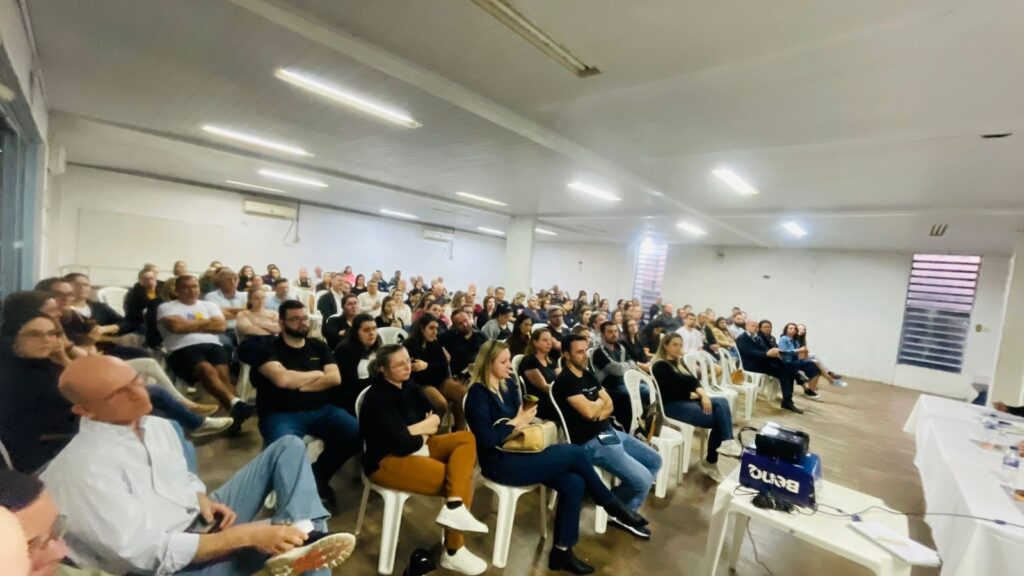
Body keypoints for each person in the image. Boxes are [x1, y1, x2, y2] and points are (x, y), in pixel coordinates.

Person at [39, 355, 356, 575]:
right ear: (84, 410)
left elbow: (183, 478)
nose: (139, 394)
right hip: (173, 566)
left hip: (198, 520)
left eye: (136, 381)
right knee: (301, 543)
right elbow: (149, 554)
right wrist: (247, 536)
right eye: (118, 394)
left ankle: (302, 536)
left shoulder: (158, 426)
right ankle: (305, 541)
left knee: (288, 447)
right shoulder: (83, 469)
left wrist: (200, 497)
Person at [464, 340, 649, 574]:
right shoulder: (477, 394)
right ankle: (611, 504)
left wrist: (523, 418)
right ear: (488, 363)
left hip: (520, 451)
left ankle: (562, 552)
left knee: (575, 483)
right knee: (575, 452)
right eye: (503, 362)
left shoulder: (508, 384)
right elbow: (487, 439)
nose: (510, 365)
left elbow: (517, 418)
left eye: (509, 360)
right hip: (498, 462)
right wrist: (517, 422)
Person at [359, 345, 489, 575]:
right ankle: (453, 551)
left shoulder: (409, 384)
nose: (407, 366)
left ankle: (454, 506)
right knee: (458, 479)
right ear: (382, 369)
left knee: (466, 439)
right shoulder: (376, 399)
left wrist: (413, 430)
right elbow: (401, 445)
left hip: (416, 445)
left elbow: (436, 414)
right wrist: (423, 428)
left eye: (408, 360)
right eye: (399, 364)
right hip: (385, 460)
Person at [250, 301, 360, 509]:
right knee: (289, 450)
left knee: (355, 433)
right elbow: (282, 380)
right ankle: (295, 498)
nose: (302, 323)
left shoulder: (318, 345)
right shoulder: (266, 349)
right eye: (294, 319)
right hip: (280, 414)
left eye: (304, 318)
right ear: (281, 323)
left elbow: (335, 378)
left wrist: (298, 385)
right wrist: (317, 374)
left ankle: (319, 476)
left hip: (322, 410)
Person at [553, 335, 660, 531]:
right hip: (589, 443)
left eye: (586, 350)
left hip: (608, 432)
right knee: (644, 479)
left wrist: (597, 411)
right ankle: (624, 514)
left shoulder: (587, 374)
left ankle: (618, 507)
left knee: (655, 461)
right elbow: (589, 412)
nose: (585, 355)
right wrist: (598, 407)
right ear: (566, 355)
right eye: (579, 352)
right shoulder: (566, 382)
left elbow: (608, 403)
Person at [157, 275, 254, 430]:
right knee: (206, 369)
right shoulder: (166, 307)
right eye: (186, 287)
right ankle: (236, 405)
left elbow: (220, 326)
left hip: (213, 345)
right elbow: (176, 327)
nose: (191, 290)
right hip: (182, 349)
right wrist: (208, 323)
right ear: (177, 290)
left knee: (223, 374)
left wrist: (188, 324)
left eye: (194, 286)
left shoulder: (209, 305)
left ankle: (235, 411)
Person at [652, 333, 740, 482]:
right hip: (672, 407)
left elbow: (694, 381)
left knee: (722, 402)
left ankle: (726, 443)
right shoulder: (660, 365)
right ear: (665, 346)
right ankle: (713, 459)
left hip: (687, 402)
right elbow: (670, 392)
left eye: (680, 345)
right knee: (720, 419)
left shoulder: (679, 363)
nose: (678, 348)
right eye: (674, 344)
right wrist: (692, 395)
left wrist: (703, 395)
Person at [404, 314, 466, 429]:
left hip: (439, 380)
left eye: (436, 328)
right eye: (431, 328)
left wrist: (427, 366)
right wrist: (433, 368)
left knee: (462, 393)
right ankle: (433, 431)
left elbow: (444, 365)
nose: (435, 332)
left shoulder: (435, 343)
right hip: (422, 384)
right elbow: (418, 374)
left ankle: (459, 430)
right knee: (441, 403)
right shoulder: (409, 346)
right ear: (422, 329)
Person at [736, 319, 803, 413]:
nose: (755, 328)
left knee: (786, 371)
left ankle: (787, 401)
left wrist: (771, 352)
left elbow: (765, 349)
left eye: (757, 326)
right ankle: (797, 377)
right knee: (786, 369)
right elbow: (750, 353)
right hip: (750, 365)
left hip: (762, 362)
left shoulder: (757, 337)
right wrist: (767, 354)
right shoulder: (742, 338)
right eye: (753, 326)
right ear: (746, 326)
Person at [591, 321, 648, 427]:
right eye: (610, 332)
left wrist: (626, 365)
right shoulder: (598, 352)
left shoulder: (621, 348)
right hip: (611, 385)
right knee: (631, 395)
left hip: (626, 381)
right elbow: (617, 370)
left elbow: (632, 363)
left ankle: (646, 421)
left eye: (615, 331)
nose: (614, 334)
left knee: (648, 389)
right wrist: (628, 365)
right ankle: (632, 426)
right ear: (603, 334)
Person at [332, 313, 381, 415]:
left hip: (373, 391)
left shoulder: (377, 344)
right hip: (351, 398)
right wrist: (379, 379)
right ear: (356, 332)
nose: (372, 333)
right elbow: (349, 385)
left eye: (374, 328)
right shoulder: (345, 350)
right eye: (366, 330)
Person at [779, 322, 844, 396]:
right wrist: (799, 351)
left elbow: (800, 354)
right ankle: (829, 380)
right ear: (786, 330)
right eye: (791, 328)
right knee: (814, 363)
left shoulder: (796, 341)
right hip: (788, 363)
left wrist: (803, 352)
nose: (793, 330)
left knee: (816, 367)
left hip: (796, 361)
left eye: (795, 329)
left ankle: (811, 390)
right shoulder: (784, 339)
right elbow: (783, 352)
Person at [62, 273, 128, 337]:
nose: (82, 288)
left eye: (86, 285)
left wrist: (104, 329)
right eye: (77, 285)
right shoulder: (61, 310)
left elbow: (126, 323)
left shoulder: (99, 307)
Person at [203, 268, 247, 358]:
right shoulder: (211, 296)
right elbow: (216, 316)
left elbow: (250, 313)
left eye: (235, 279)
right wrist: (242, 311)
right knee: (223, 344)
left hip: (244, 330)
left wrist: (224, 311)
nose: (232, 282)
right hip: (223, 331)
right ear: (220, 282)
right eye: (228, 279)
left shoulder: (245, 295)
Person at [519, 327, 560, 421]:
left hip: (554, 398)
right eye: (545, 340)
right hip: (541, 403)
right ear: (535, 342)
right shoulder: (529, 361)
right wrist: (564, 392)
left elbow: (562, 379)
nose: (549, 343)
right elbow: (544, 387)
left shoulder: (551, 361)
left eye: (550, 340)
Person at [441, 310, 488, 382]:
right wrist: (443, 349)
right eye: (460, 323)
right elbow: (435, 341)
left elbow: (490, 352)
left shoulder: (481, 335)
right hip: (460, 377)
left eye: (466, 320)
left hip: (481, 373)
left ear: (470, 319)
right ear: (454, 326)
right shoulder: (449, 336)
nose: (465, 324)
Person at [123, 268, 164, 335]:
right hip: (141, 322)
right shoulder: (134, 293)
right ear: (140, 281)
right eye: (146, 279)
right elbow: (131, 314)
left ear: (155, 278)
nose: (149, 281)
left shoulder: (163, 289)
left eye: (151, 278)